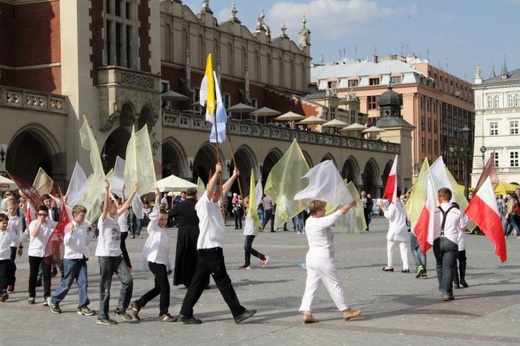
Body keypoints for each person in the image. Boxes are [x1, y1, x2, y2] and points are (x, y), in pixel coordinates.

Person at [178, 163, 256, 325]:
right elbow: (208, 189)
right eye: (216, 193)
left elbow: (223, 189)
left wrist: (234, 175)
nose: (219, 194)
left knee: (198, 283)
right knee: (222, 280)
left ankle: (185, 313)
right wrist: (216, 172)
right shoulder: (204, 204)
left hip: (209, 248)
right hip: (210, 248)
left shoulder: (214, 203)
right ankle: (238, 312)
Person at [299, 199, 362, 324]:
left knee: (311, 286)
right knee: (334, 284)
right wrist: (350, 204)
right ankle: (345, 310)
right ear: (318, 211)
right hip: (323, 258)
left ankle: (307, 312)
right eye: (324, 209)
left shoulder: (309, 221)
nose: (326, 211)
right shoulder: (320, 222)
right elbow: (338, 213)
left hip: (311, 257)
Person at [95, 180, 138, 325]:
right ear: (107, 210)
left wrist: (133, 192)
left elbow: (125, 206)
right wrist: (107, 190)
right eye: (113, 206)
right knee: (105, 287)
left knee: (128, 281)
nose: (116, 207)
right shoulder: (104, 220)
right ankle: (102, 316)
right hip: (106, 256)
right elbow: (106, 207)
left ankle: (120, 309)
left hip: (117, 256)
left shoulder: (115, 218)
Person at [131, 188, 177, 322]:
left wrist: (169, 266)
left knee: (158, 288)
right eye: (161, 219)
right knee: (165, 287)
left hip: (161, 263)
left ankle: (138, 304)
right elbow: (154, 215)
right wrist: (157, 198)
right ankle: (164, 313)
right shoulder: (153, 229)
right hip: (154, 261)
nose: (163, 221)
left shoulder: (165, 234)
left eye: (165, 219)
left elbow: (166, 252)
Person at [49, 204, 96, 315]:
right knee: (67, 283)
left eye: (84, 215)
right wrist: (70, 232)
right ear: (75, 215)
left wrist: (92, 232)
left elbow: (86, 242)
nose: (84, 218)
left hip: (82, 257)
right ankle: (54, 301)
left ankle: (83, 305)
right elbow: (66, 242)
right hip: (71, 259)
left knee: (83, 283)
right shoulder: (69, 226)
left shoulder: (84, 226)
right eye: (82, 215)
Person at [170, 187, 209, 288]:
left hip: (183, 233)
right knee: (199, 257)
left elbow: (169, 215)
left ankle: (186, 281)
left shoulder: (180, 205)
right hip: (197, 232)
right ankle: (201, 281)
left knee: (185, 256)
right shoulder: (198, 205)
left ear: (186, 195)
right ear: (195, 195)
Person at [433, 188, 467, 301]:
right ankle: (447, 292)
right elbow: (463, 227)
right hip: (451, 241)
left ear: (441, 197)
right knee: (448, 267)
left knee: (439, 265)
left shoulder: (434, 211)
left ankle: (442, 289)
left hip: (437, 240)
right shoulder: (457, 211)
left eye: (438, 196)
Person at [27, 205, 58, 305]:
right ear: (37, 214)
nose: (42, 216)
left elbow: (59, 225)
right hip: (34, 252)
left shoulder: (50, 223)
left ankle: (47, 296)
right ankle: (32, 295)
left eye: (44, 215)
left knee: (47, 274)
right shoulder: (33, 223)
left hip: (46, 253)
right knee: (33, 274)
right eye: (40, 215)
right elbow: (34, 234)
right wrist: (39, 223)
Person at [380, 195, 410, 273]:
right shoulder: (402, 204)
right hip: (403, 228)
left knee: (390, 248)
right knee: (404, 249)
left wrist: (383, 208)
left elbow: (389, 215)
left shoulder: (393, 204)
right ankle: (406, 267)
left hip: (394, 230)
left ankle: (390, 265)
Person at [0, 213, 25, 302]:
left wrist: (25, 233)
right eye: (3, 223)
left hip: (5, 258)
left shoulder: (9, 232)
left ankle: (3, 291)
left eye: (6, 223)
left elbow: (18, 240)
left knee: (3, 275)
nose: (5, 225)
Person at [239, 196, 269, 269]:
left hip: (251, 230)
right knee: (246, 247)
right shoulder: (248, 210)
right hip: (248, 230)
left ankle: (263, 257)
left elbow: (256, 219)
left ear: (249, 203)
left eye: (245, 203)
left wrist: (260, 227)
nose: (244, 205)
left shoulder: (252, 210)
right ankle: (247, 263)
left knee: (247, 247)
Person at [5, 198, 23, 292]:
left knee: (10, 262)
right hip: (3, 243)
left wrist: (20, 246)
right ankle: (5, 282)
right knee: (4, 264)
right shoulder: (3, 216)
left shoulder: (18, 219)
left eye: (14, 209)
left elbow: (19, 233)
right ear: (7, 208)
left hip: (13, 244)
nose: (12, 210)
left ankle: (11, 283)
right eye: (10, 208)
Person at [112, 189, 132, 270]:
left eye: (117, 203)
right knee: (121, 248)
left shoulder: (123, 211)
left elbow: (124, 203)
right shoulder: (118, 211)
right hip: (121, 232)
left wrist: (122, 194)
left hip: (123, 232)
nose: (116, 204)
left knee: (122, 248)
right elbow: (115, 200)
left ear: (120, 204)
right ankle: (127, 264)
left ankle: (127, 265)